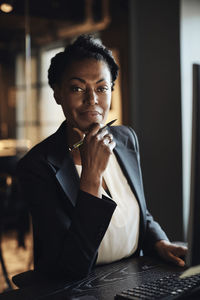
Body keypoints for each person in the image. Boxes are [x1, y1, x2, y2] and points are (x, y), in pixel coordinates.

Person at [17, 34, 187, 280]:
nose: (92, 99)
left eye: (101, 88)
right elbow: (70, 266)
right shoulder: (36, 166)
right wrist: (91, 177)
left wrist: (161, 242)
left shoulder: (126, 138)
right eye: (77, 88)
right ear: (57, 94)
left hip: (133, 276)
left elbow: (140, 212)